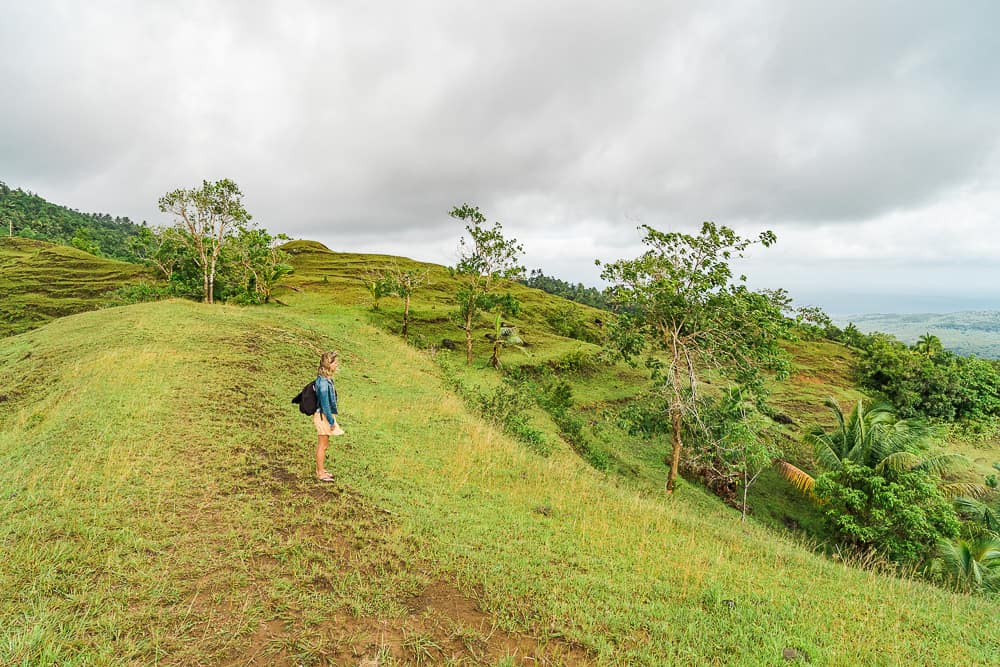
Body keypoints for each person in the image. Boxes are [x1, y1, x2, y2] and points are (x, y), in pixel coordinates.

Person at [313, 351, 344, 482]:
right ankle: (320, 473)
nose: (337, 365)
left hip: (322, 415)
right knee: (323, 445)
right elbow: (325, 406)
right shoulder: (324, 384)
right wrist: (331, 421)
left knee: (324, 444)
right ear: (328, 364)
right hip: (322, 416)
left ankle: (321, 470)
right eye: (334, 362)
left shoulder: (324, 379)